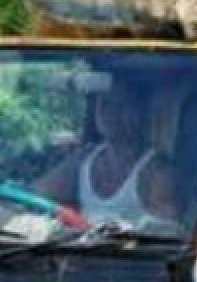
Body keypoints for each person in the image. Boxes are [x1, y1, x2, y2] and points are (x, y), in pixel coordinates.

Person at [36, 76, 176, 231]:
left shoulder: (156, 171)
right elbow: (34, 197)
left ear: (140, 111)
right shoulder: (83, 159)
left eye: (120, 105)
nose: (108, 111)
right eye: (103, 103)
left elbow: (166, 232)